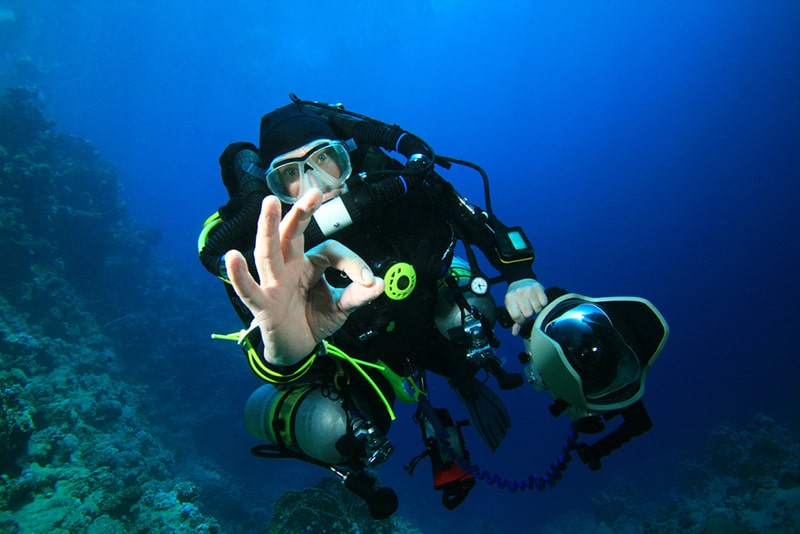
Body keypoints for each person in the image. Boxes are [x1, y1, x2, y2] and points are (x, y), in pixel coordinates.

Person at [199, 97, 547, 514]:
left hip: (427, 324)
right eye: (291, 173)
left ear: (349, 157)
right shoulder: (267, 257)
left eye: (326, 158)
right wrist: (288, 354)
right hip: (355, 371)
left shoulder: (402, 189)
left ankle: (464, 376)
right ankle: (359, 456)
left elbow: (481, 224)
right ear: (275, 192)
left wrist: (520, 274)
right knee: (331, 430)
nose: (314, 184)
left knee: (470, 310)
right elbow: (269, 352)